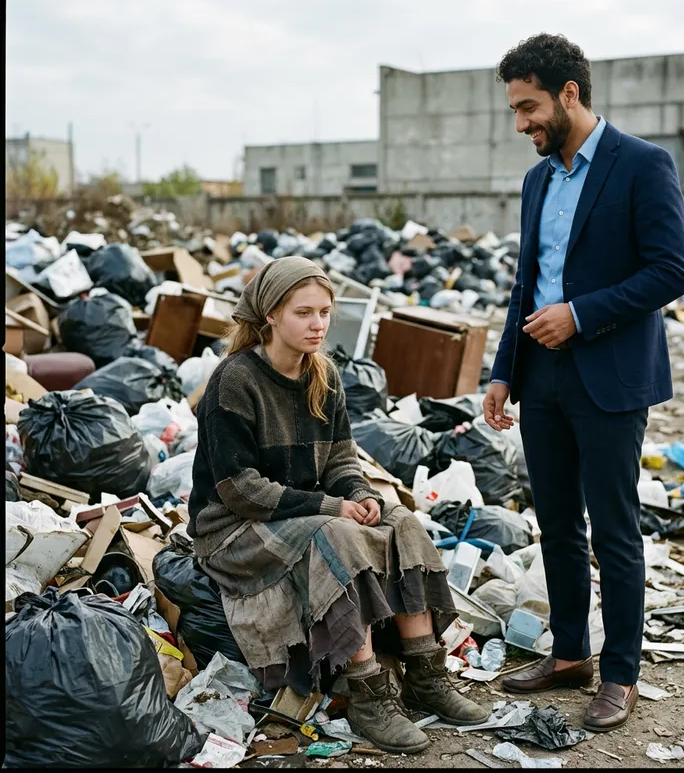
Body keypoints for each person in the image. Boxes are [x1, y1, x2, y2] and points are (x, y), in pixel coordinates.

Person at [187, 256, 489, 753]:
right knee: (340, 534)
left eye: (324, 312)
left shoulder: (323, 374)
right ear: (271, 316)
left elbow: (342, 459)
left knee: (401, 520)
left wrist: (360, 494)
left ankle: (425, 672)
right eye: (304, 313)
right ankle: (369, 694)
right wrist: (331, 508)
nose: (318, 325)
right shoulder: (235, 379)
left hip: (302, 510)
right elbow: (239, 489)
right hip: (235, 529)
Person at [483, 33, 684, 732]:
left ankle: (621, 673)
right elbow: (527, 283)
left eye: (529, 107)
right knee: (557, 524)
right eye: (515, 110)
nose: (521, 124)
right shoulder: (537, 180)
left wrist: (580, 315)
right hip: (541, 376)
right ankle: (570, 653)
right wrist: (504, 371)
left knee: (615, 530)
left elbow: (671, 271)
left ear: (569, 94)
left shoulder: (643, 165)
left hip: (610, 376)